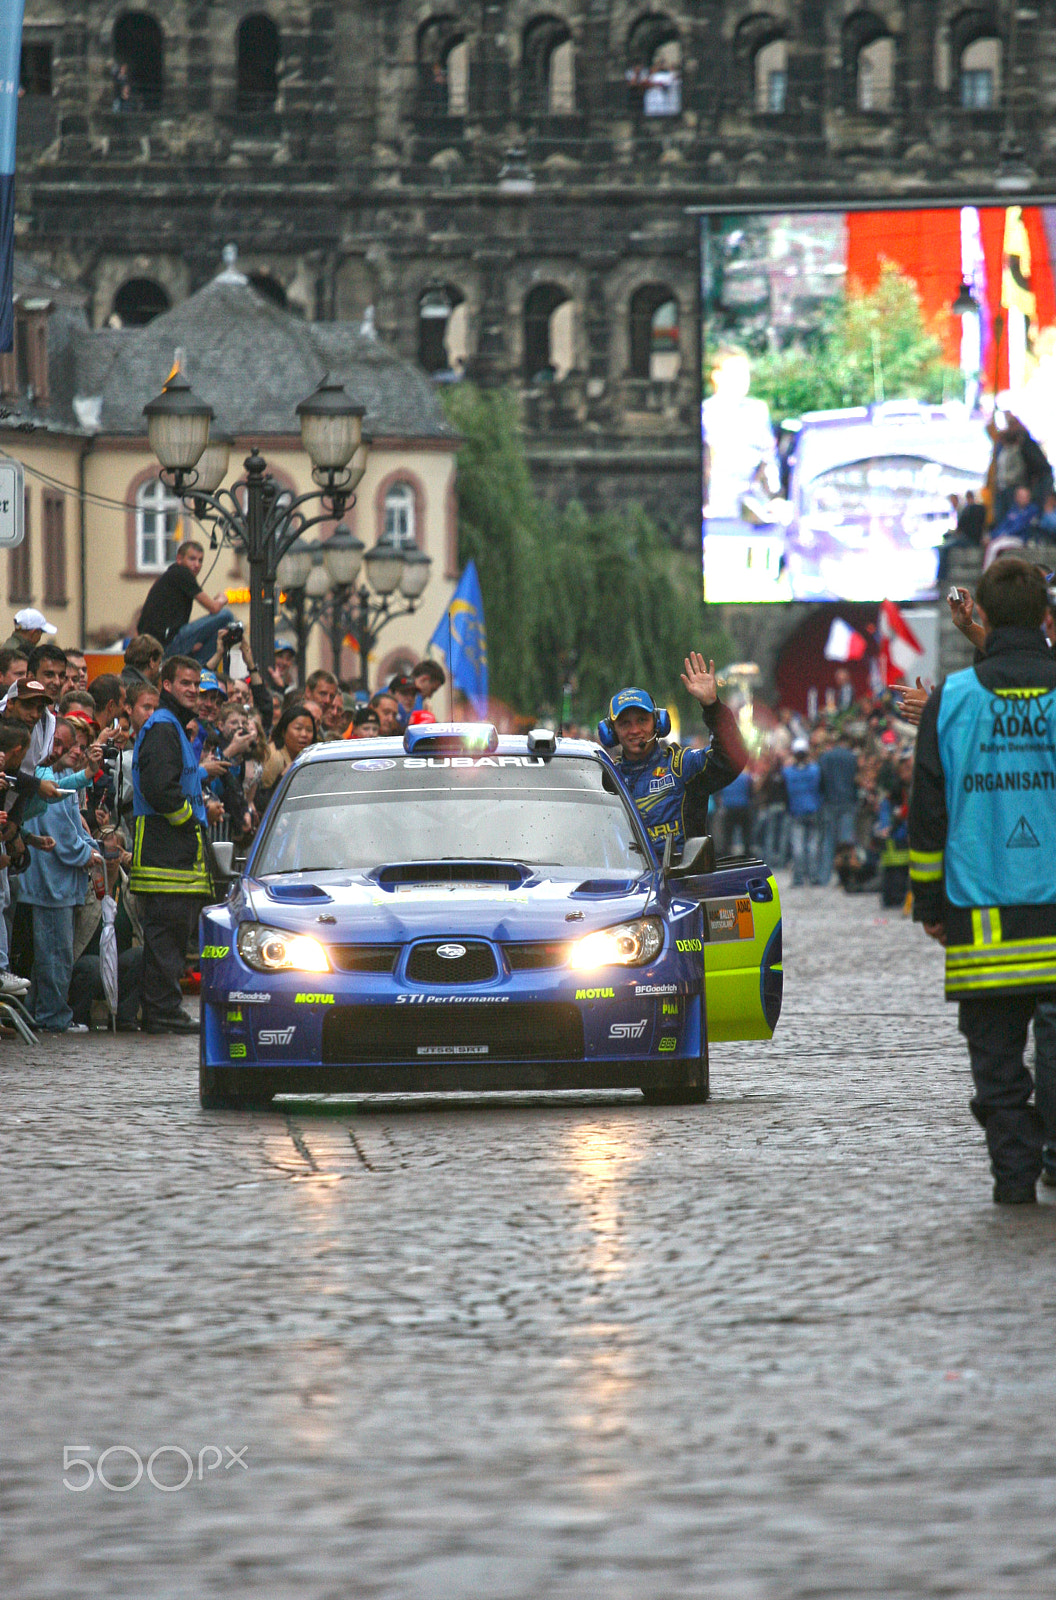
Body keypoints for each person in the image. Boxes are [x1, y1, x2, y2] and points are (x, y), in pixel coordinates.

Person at [909, 557, 1056, 1204]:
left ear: (985, 616)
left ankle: (1015, 1180)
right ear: (1046, 616)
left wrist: (929, 905)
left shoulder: (951, 704)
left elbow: (928, 816)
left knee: (997, 1067)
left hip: (982, 921)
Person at [130, 655, 219, 1034]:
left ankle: (164, 1008)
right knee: (166, 938)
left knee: (170, 938)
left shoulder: (172, 727)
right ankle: (162, 1011)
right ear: (165, 684)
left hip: (173, 855)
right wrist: (187, 824)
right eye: (185, 683)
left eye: (196, 684)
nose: (193, 690)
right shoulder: (164, 727)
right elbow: (160, 789)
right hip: (166, 855)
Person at [600, 654, 748, 862]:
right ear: (611, 732)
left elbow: (733, 758)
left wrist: (712, 707)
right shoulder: (608, 779)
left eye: (642, 720)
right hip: (630, 887)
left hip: (683, 883)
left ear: (658, 722)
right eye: (625, 723)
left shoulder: (681, 766)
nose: (635, 730)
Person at [19, 718, 103, 1033]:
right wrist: (88, 854)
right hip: (50, 883)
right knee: (55, 955)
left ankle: (43, 1013)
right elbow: (61, 833)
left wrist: (88, 846)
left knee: (52, 955)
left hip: (55, 882)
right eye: (65, 744)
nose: (70, 751)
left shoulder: (62, 774)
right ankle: (52, 1016)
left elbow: (71, 823)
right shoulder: (48, 776)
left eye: (76, 746)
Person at [136, 540, 235, 663]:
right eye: (192, 559)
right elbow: (214, 608)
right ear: (179, 559)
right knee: (226, 616)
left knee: (219, 631)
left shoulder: (170, 577)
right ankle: (200, 666)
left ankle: (195, 664)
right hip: (165, 645)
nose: (197, 564)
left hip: (157, 646)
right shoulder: (181, 572)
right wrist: (222, 598)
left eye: (200, 560)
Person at [817, 730, 859, 886]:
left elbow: (821, 780)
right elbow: (855, 780)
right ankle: (845, 877)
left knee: (828, 841)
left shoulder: (825, 757)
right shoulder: (851, 757)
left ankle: (824, 877)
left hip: (830, 802)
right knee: (846, 841)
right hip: (847, 802)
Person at [256, 704, 317, 811]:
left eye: (309, 730)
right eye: (298, 728)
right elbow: (264, 801)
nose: (304, 734)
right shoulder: (274, 756)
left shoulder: (305, 757)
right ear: (283, 731)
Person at [784, 737, 822, 886]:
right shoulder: (815, 770)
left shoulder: (788, 773)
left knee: (798, 846)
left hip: (796, 812)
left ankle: (798, 877)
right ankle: (813, 876)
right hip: (813, 810)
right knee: (813, 846)